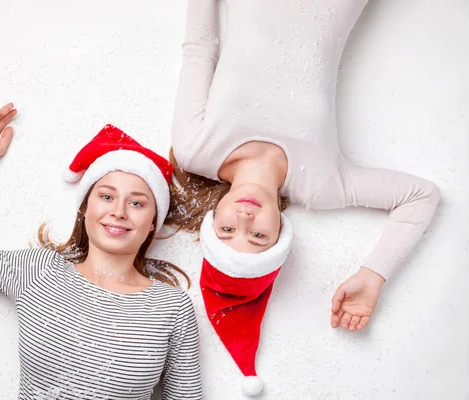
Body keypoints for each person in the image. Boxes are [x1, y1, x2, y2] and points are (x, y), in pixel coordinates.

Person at [166, 0, 440, 395]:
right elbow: (421, 196)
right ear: (280, 232)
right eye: (258, 237)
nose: (244, 221)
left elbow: (199, 48)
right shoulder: (322, 185)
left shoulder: (196, 149)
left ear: (214, 214)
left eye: (226, 230)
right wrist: (373, 275)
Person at [0, 103, 203, 399]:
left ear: (152, 222)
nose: (119, 211)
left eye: (137, 203)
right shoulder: (38, 271)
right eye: (107, 196)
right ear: (85, 207)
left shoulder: (171, 307)